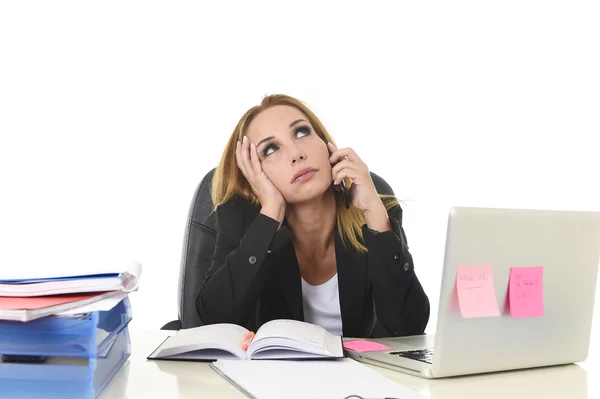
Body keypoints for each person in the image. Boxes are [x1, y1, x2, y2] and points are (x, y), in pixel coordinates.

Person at [197, 94, 429, 338]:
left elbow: (408, 328)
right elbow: (214, 323)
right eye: (271, 149)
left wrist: (376, 219)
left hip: (359, 374)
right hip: (275, 374)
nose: (296, 153)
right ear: (253, 173)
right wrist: (270, 216)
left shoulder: (372, 203)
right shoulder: (243, 217)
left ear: (325, 143)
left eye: (301, 133)